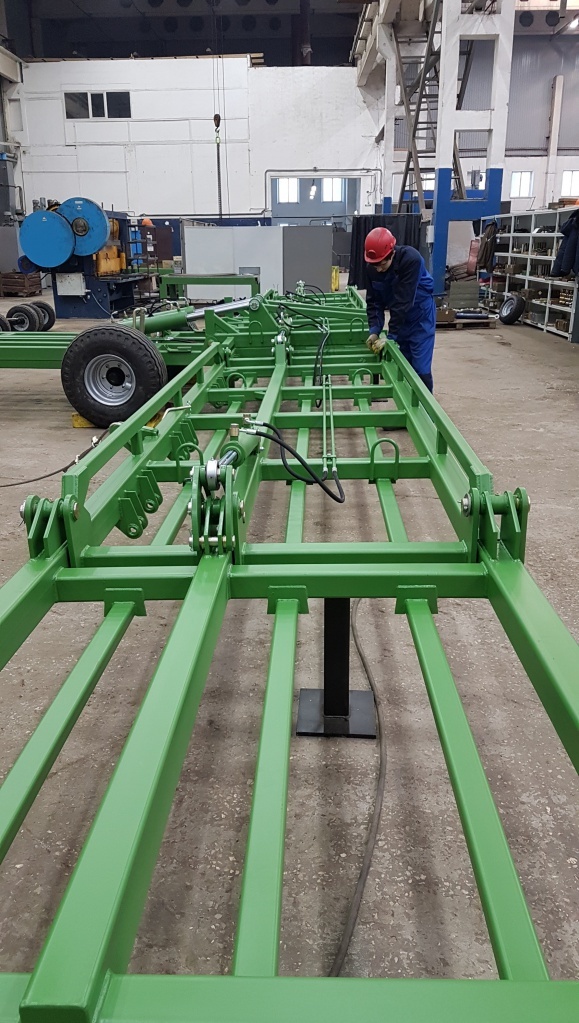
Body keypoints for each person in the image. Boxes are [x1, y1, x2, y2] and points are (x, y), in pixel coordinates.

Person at [363, 227, 436, 392]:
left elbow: (404, 300)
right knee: (403, 365)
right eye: (375, 266)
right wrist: (374, 330)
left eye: (382, 265)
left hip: (420, 318)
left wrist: (391, 336)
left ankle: (425, 406)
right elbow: (374, 302)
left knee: (421, 369)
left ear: (392, 254)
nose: (378, 270)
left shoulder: (411, 260)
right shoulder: (372, 269)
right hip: (400, 318)